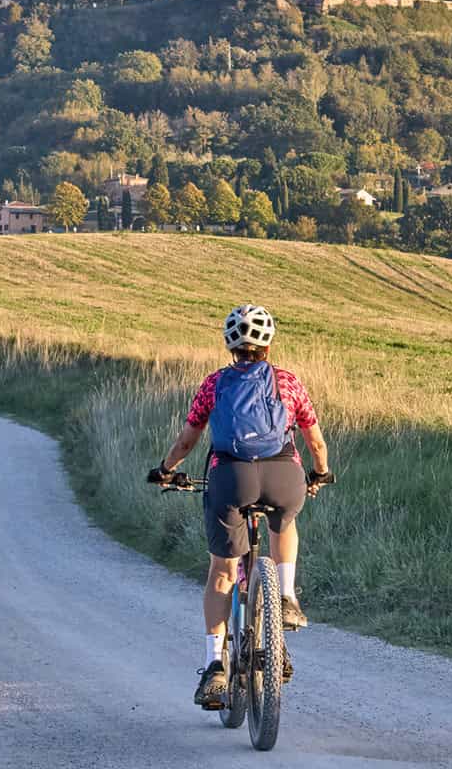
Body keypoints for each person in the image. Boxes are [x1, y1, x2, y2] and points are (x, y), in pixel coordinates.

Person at [148, 303, 333, 709]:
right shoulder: (288, 382)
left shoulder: (214, 384)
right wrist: (319, 473)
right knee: (283, 525)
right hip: (284, 475)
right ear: (268, 344)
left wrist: (166, 469)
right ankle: (285, 596)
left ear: (230, 344)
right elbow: (316, 442)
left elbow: (187, 440)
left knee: (222, 568)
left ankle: (215, 665)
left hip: (230, 477)